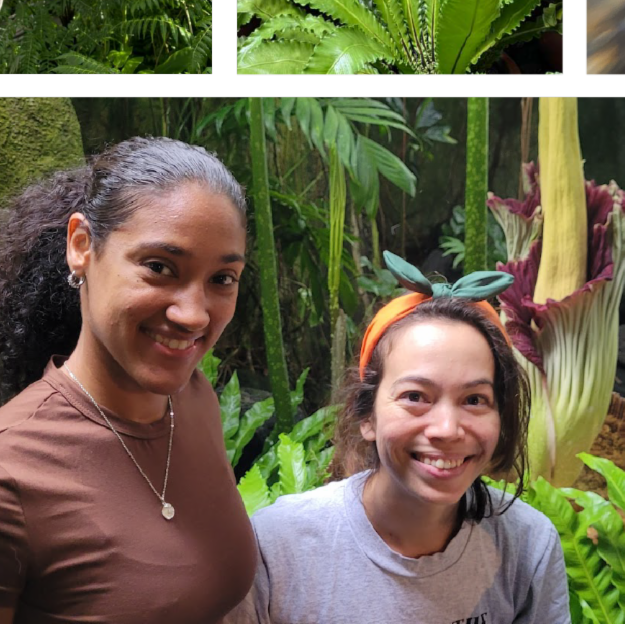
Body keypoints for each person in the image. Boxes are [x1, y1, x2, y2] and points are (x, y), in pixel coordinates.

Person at [0, 136, 257, 624]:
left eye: (222, 279)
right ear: (82, 246)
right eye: (159, 268)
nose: (193, 315)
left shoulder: (193, 402)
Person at [225, 254, 571, 624]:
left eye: (474, 400)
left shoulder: (527, 545)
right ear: (367, 415)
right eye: (415, 397)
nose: (447, 429)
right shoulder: (278, 546)